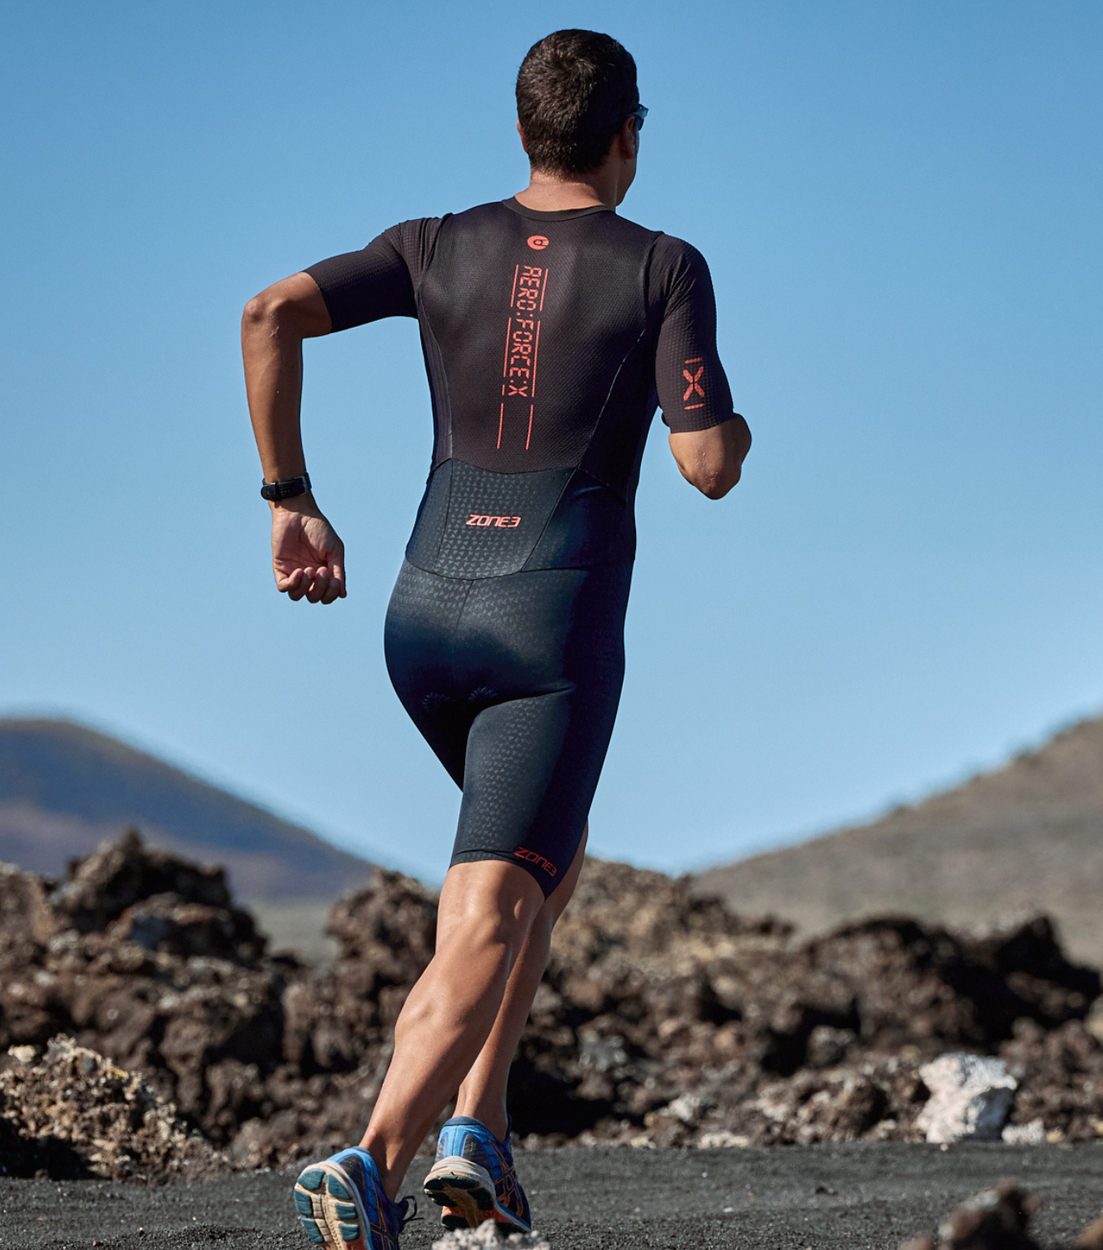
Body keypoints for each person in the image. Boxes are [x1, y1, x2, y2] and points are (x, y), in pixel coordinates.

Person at [239, 29, 751, 1250]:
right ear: (628, 135)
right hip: (549, 617)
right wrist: (725, 415)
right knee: (492, 902)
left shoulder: (434, 244)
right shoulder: (662, 265)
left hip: (423, 611)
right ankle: (371, 1160)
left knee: (535, 868)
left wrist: (289, 497)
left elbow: (269, 312)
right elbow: (707, 467)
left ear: (523, 131)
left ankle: (482, 1128)